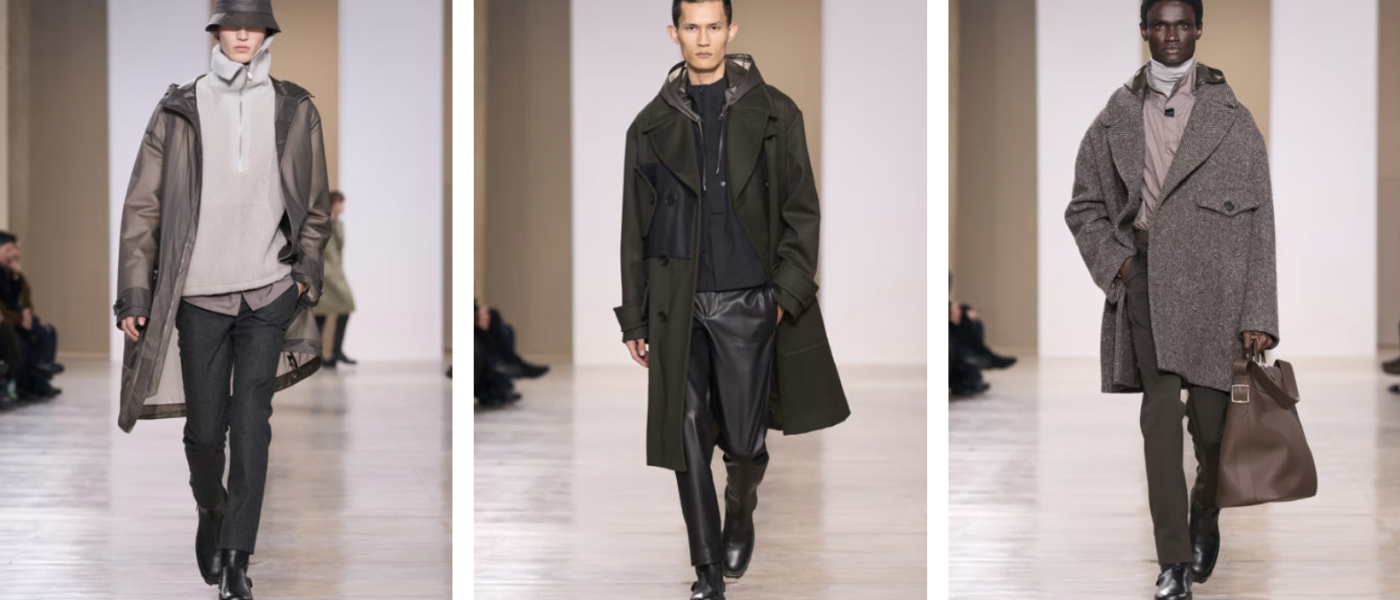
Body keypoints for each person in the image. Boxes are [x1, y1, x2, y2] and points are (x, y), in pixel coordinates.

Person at [615, 1, 850, 597]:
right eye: (691, 28)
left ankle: (740, 510)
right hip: (678, 303)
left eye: (713, 27)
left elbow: (802, 211)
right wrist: (635, 317)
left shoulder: (776, 112)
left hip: (749, 299)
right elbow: (634, 228)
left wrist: (783, 295)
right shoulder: (648, 126)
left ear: (731, 31)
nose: (703, 39)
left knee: (745, 445)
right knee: (687, 432)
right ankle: (707, 570)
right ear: (674, 33)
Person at [113, 2, 331, 598]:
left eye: (253, 25)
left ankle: (237, 559)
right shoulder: (178, 108)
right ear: (215, 30)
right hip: (197, 295)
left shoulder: (296, 108)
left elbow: (314, 206)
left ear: (266, 32)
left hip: (269, 292)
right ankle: (211, 508)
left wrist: (304, 274)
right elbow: (143, 207)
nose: (242, 34)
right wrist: (135, 291)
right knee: (206, 433)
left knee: (251, 423)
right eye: (232, 24)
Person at [1064, 2, 1278, 598]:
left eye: (1183, 24)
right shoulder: (1115, 117)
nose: (1172, 35)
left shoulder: (1232, 118)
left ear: (1199, 30)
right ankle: (1174, 562)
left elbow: (1261, 220)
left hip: (1217, 286)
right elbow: (1084, 206)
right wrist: (1122, 265)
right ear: (1144, 32)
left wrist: (1260, 312)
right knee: (1159, 420)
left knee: (1212, 430)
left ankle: (1205, 512)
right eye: (1160, 25)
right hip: (1147, 278)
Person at [0, 232, 60, 400]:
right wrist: (21, 319)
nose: (14, 254)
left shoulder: (8, 272)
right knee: (26, 335)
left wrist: (16, 277)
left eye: (16, 249)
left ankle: (41, 379)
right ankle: (33, 380)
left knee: (46, 330)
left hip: (15, 319)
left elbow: (20, 301)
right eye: (9, 249)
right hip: (12, 321)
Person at [313, 190, 357, 368]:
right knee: (322, 314)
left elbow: (340, 244)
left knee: (337, 310)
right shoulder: (323, 222)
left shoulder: (334, 222)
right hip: (327, 274)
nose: (343, 206)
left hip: (334, 273)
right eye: (341, 202)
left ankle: (334, 352)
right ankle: (320, 355)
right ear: (334, 203)